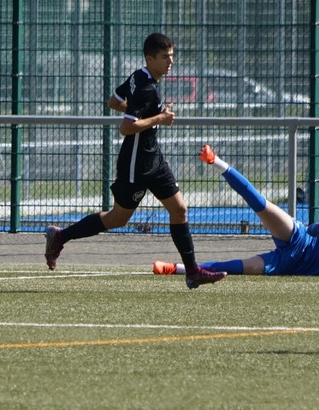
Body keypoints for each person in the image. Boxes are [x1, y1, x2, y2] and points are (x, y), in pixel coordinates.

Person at [44, 33, 226, 289]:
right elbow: (126, 128)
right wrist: (158, 118)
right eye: (164, 57)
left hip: (154, 158)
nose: (170, 62)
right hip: (136, 164)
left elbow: (114, 101)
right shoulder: (145, 88)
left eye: (171, 56)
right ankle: (60, 236)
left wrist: (144, 114)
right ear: (150, 59)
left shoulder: (139, 75)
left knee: (179, 209)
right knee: (117, 219)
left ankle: (192, 271)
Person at [153, 145, 319, 277]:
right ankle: (216, 161)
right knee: (261, 204)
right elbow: (312, 231)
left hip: (291, 265)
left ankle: (178, 268)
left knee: (240, 267)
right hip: (300, 239)